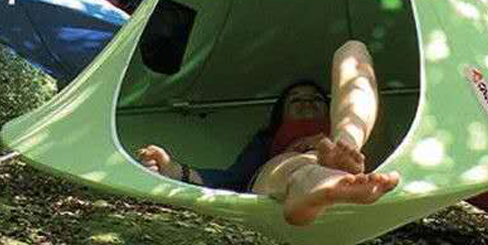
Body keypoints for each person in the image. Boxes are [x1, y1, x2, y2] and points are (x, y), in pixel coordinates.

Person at [139, 40, 399, 227]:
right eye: (296, 100)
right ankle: (312, 180)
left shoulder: (343, 121)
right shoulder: (268, 142)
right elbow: (233, 179)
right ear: (280, 116)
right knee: (295, 162)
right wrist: (175, 169)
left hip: (351, 146)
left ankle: (340, 154)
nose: (307, 103)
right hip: (281, 176)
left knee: (353, 49)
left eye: (316, 99)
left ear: (331, 106)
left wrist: (337, 142)